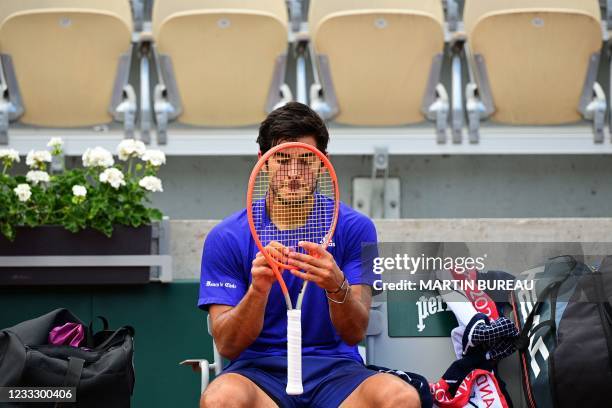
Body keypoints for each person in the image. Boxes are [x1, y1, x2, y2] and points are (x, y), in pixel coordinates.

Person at [198, 102, 421, 407]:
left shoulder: (359, 228)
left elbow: (355, 332)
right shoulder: (225, 237)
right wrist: (258, 291)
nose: (293, 173)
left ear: (322, 163)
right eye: (282, 160)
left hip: (337, 371)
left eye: (305, 161)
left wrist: (336, 285)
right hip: (257, 373)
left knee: (402, 398)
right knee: (220, 399)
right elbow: (228, 344)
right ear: (263, 163)